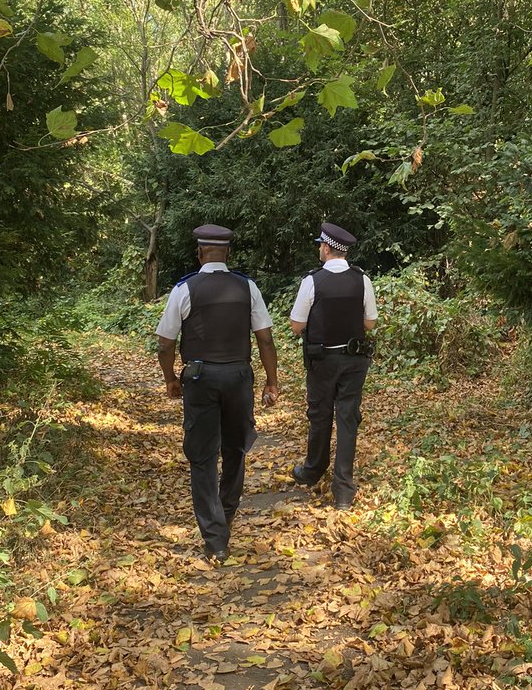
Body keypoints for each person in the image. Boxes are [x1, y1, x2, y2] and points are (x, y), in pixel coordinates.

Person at [156, 224, 279, 563]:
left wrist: (170, 379)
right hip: (239, 376)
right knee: (236, 447)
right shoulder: (247, 287)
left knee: (202, 456)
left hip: (200, 379)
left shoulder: (185, 289)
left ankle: (215, 538)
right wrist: (272, 381)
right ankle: (226, 511)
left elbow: (165, 343)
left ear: (199, 253)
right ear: (227, 254)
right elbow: (265, 338)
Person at [289, 221, 377, 510]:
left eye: (320, 245)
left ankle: (313, 470)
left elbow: (296, 325)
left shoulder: (312, 281)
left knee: (319, 414)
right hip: (354, 359)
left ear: (326, 248)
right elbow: (370, 323)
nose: (319, 248)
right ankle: (343, 490)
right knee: (348, 418)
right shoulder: (361, 279)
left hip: (322, 360)